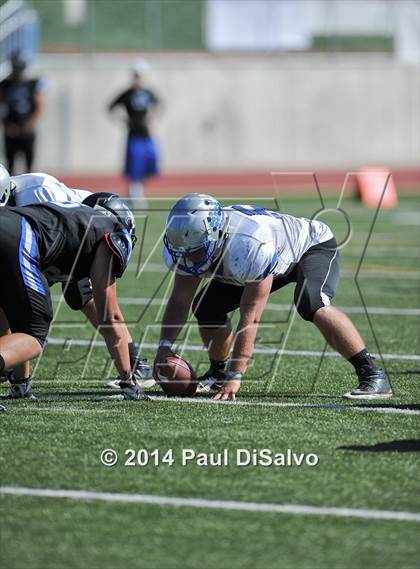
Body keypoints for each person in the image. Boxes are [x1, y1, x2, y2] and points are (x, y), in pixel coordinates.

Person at [154, 193, 392, 401]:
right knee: (206, 307)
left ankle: (372, 373)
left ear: (216, 233)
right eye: (183, 252)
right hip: (269, 256)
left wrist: (237, 374)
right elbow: (179, 300)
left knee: (312, 303)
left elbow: (251, 316)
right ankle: (218, 372)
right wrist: (164, 347)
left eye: (196, 252)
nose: (188, 258)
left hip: (309, 247)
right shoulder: (189, 245)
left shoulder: (250, 244)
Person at [0, 165, 154, 388]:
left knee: (80, 297)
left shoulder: (39, 191)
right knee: (32, 331)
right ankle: (16, 371)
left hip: (61, 239)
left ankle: (135, 360)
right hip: (35, 241)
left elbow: (63, 228)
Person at [108, 60, 160, 202]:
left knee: (150, 163)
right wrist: (123, 120)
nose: (138, 78)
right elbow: (111, 107)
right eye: (136, 75)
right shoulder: (127, 94)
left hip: (147, 135)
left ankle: (138, 189)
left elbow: (158, 105)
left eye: (140, 75)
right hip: (134, 135)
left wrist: (152, 118)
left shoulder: (149, 93)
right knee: (134, 165)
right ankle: (135, 191)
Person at [0, 52, 45, 174]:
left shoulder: (31, 84)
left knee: (29, 168)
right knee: (9, 167)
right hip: (11, 130)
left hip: (27, 131)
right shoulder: (5, 84)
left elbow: (40, 107)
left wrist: (28, 125)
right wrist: (6, 125)